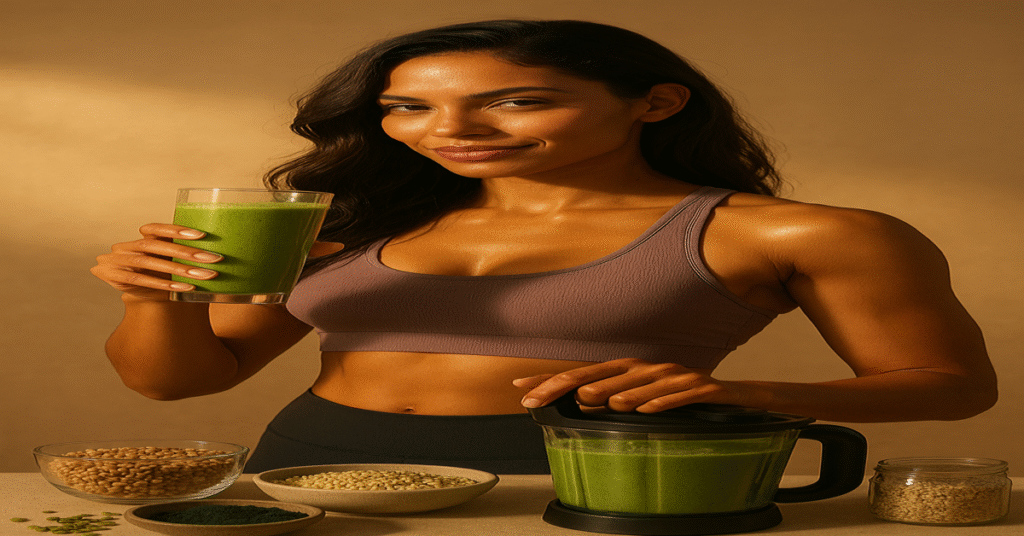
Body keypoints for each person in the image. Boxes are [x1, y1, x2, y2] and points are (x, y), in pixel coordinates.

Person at [91, 19, 997, 474]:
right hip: (312, 465)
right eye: (409, 107)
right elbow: (181, 380)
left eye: (517, 101)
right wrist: (149, 296)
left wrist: (739, 395)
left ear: (656, 102)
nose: (452, 130)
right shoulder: (350, 220)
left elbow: (954, 388)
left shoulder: (803, 233)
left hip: (581, 470)